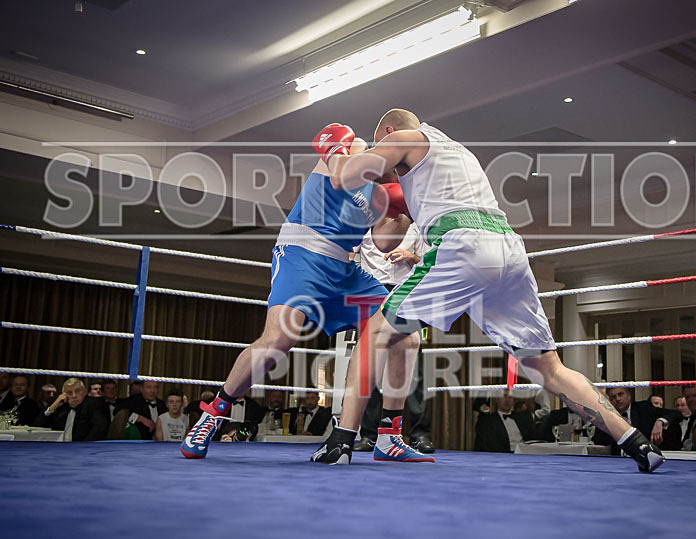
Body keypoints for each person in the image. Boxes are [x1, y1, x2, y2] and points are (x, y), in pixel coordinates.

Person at [310, 110, 664, 472]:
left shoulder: (406, 139)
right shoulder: (456, 154)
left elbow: (343, 178)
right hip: (508, 250)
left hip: (463, 245)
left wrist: (334, 150)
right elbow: (386, 242)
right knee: (548, 369)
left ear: (389, 131)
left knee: (377, 333)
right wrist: (396, 208)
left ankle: (341, 440)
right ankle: (635, 442)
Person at [181, 137, 426, 464]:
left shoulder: (382, 196)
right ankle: (212, 414)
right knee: (279, 338)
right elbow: (340, 177)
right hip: (302, 253)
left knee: (406, 336)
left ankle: (389, 435)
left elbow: (384, 243)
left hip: (345, 270)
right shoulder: (350, 144)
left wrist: (407, 212)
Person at [352, 221, 435, 454]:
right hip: (371, 295)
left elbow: (429, 262)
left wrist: (411, 256)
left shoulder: (417, 226)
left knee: (413, 367)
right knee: (370, 366)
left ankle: (419, 434)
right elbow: (348, 254)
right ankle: (368, 435)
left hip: (405, 293)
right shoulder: (364, 226)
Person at [591, 387, 677, 452]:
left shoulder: (644, 408)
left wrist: (660, 422)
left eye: (620, 394)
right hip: (618, 461)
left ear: (629, 396)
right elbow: (598, 440)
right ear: (609, 400)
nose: (617, 399)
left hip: (647, 455)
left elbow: (675, 413)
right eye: (613, 397)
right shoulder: (608, 417)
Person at [34, 378, 108, 441]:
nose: (74, 396)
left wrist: (82, 448)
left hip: (83, 450)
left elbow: (99, 429)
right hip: (58, 450)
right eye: (69, 392)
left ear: (84, 391)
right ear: (64, 395)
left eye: (78, 391)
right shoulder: (61, 407)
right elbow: (38, 425)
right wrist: (52, 407)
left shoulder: (94, 404)